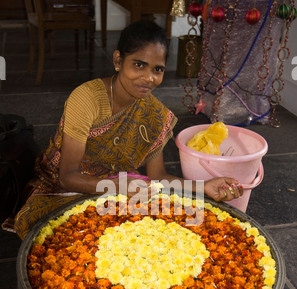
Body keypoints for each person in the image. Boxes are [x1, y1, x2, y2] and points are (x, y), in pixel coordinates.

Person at [14, 20, 242, 240]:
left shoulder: (154, 113)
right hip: (61, 188)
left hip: (117, 186)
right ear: (117, 60)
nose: (149, 78)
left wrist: (204, 187)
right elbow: (67, 177)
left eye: (158, 69)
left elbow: (158, 177)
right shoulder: (86, 99)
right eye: (139, 64)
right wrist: (116, 187)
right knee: (52, 232)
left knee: (157, 229)